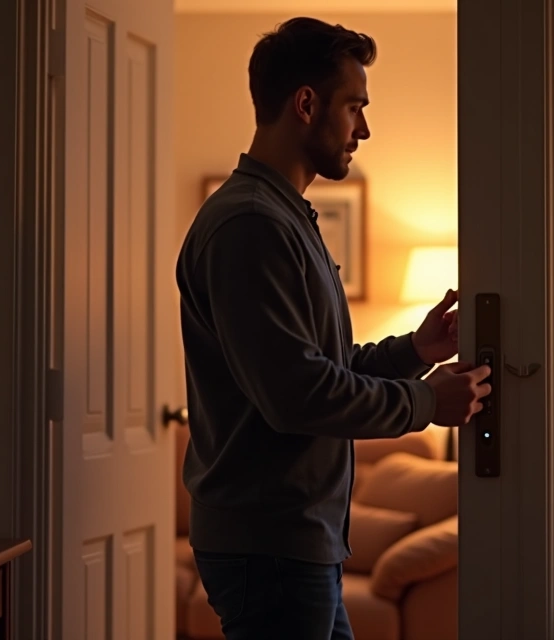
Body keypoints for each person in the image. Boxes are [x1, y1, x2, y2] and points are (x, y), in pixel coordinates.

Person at [175, 16, 492, 640]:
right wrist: (427, 401)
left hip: (293, 541)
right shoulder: (251, 226)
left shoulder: (284, 217)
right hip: (270, 545)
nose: (364, 129)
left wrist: (413, 351)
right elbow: (297, 395)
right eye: (355, 107)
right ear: (305, 104)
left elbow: (323, 364)